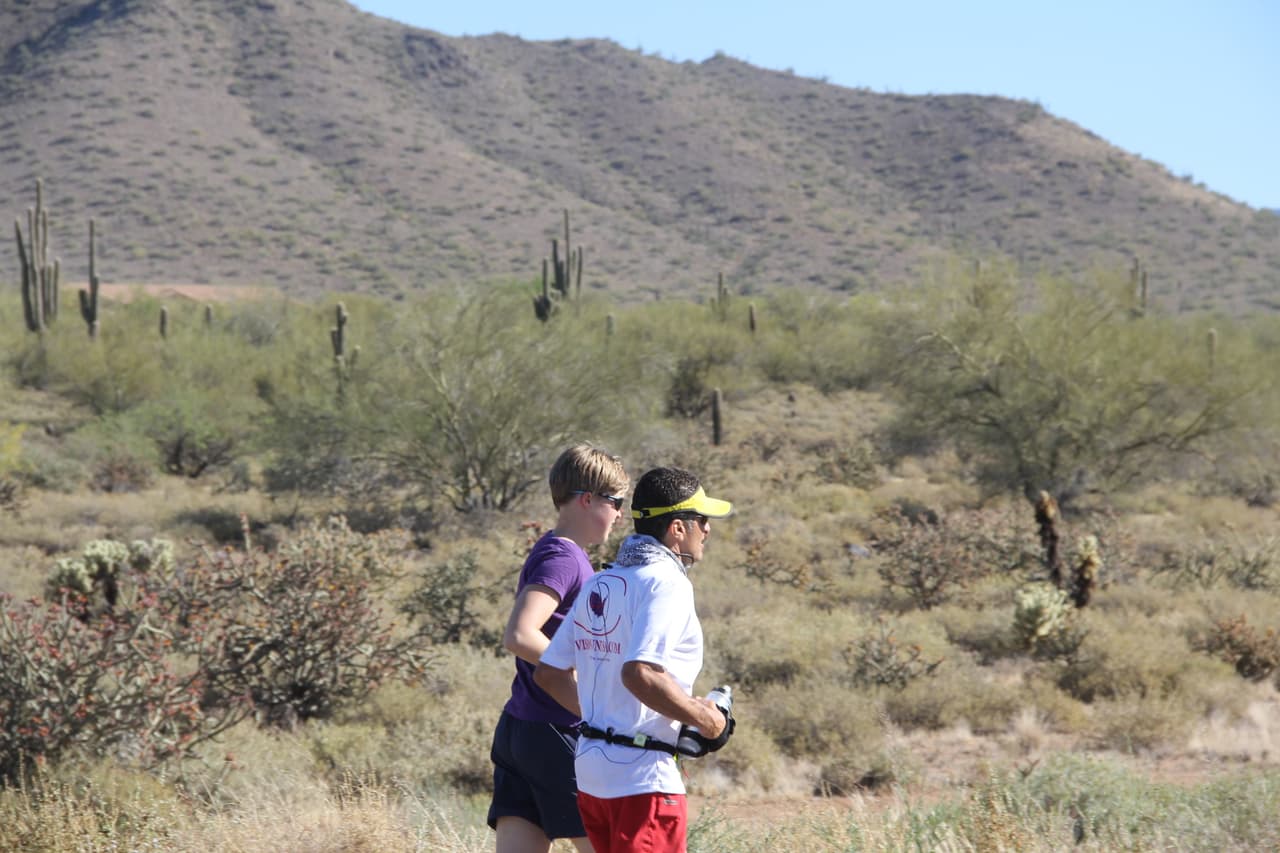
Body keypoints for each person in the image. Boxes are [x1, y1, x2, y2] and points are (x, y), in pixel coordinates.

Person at [534, 466, 734, 853]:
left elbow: (549, 673)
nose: (707, 529)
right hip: (643, 780)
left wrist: (603, 717)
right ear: (677, 528)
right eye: (702, 520)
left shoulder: (601, 581)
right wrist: (708, 720)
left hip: (592, 773)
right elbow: (640, 674)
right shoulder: (667, 584)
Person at [487, 444, 629, 853]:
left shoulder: (556, 550)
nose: (620, 514)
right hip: (555, 732)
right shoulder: (564, 558)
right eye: (615, 502)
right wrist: (584, 677)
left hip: (521, 729)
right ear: (588, 499)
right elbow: (520, 634)